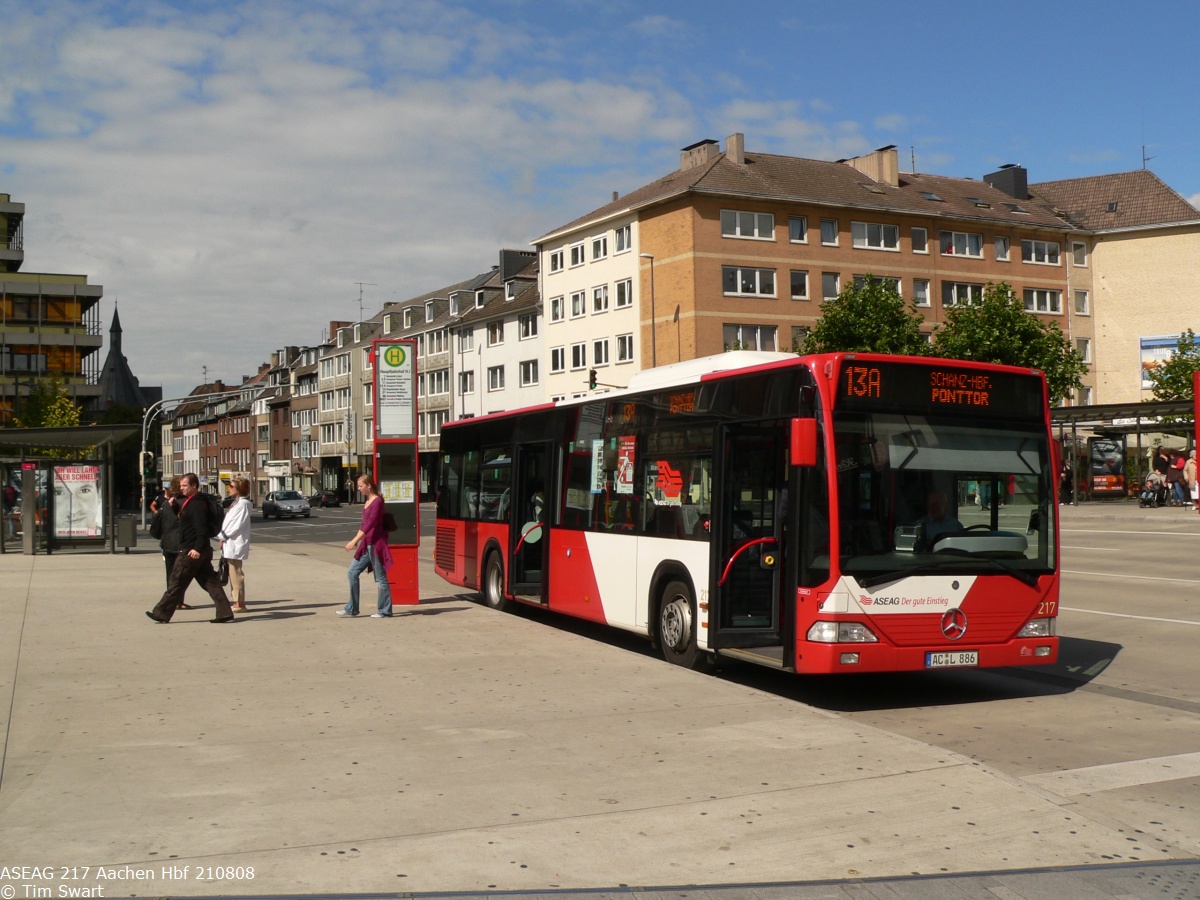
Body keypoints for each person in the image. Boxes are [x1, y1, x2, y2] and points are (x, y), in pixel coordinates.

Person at [146, 472, 235, 624]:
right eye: (181, 486)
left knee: (177, 580)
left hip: (192, 550)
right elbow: (184, 521)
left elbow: (202, 529)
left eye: (185, 486)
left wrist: (197, 549)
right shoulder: (192, 501)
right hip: (199, 550)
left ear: (194, 486)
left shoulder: (197, 504)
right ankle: (225, 612)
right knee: (210, 581)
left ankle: (161, 613)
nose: (182, 489)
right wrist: (174, 507)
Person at [337, 474, 394, 618]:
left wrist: (353, 541)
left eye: (360, 486)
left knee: (380, 578)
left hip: (376, 544)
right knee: (352, 572)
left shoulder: (377, 502)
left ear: (369, 486)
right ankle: (352, 608)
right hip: (366, 544)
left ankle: (384, 610)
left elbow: (371, 524)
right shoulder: (368, 501)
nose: (359, 489)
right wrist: (356, 540)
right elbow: (364, 524)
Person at [219, 477, 252, 612]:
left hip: (234, 542)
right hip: (230, 542)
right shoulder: (236, 503)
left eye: (232, 486)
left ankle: (239, 602)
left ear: (239, 488)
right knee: (232, 572)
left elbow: (236, 524)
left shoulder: (243, 504)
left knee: (236, 572)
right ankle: (236, 600)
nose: (229, 488)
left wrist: (223, 536)